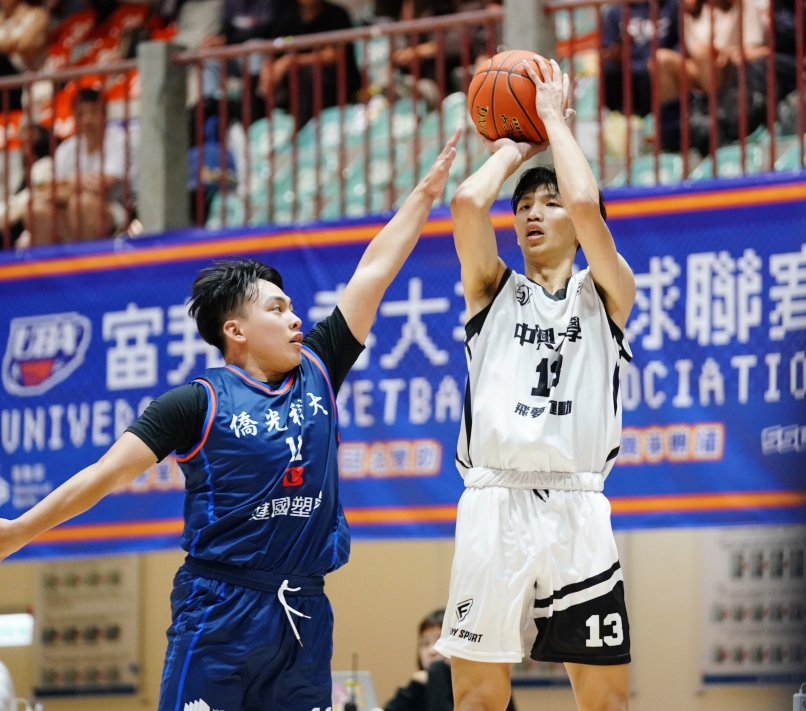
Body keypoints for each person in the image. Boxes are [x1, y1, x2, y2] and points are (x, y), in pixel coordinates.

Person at [0, 130, 461, 711]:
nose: (295, 318)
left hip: (303, 615)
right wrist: (19, 530)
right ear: (235, 330)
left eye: (293, 308)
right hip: (219, 610)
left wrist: (425, 193)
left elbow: (374, 270)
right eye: (277, 308)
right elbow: (104, 475)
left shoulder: (319, 366)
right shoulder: (194, 403)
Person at [439, 57, 635, 711]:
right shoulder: (491, 291)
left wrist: (553, 121)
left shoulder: (606, 292)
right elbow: (468, 203)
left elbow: (585, 202)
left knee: (605, 702)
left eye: (547, 204)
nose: (533, 212)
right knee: (476, 698)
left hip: (577, 504)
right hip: (493, 500)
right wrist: (515, 148)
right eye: (524, 205)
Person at [29, 88, 130, 243]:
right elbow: (54, 189)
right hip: (68, 206)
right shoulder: (66, 148)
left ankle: (90, 257)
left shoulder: (119, 140)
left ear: (104, 114)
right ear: (74, 116)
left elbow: (102, 185)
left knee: (81, 203)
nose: (87, 119)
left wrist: (70, 181)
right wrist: (76, 183)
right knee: (37, 209)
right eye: (81, 114)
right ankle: (54, 259)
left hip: (114, 208)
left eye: (93, 112)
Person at [385, 610, 516, 711]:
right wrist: (414, 686)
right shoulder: (419, 686)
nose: (432, 651)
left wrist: (437, 671)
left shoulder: (486, 683)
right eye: (425, 643)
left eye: (440, 641)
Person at [259, 0, 362, 123]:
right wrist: (267, 72)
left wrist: (291, 61)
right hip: (295, 86)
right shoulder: (289, 17)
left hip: (336, 83)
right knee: (251, 84)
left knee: (311, 75)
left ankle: (303, 130)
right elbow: (273, 51)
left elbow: (333, 55)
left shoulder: (337, 15)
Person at [601, 0, 679, 117]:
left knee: (654, 70)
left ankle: (663, 119)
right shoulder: (615, 11)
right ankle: (617, 116)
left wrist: (664, 58)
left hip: (658, 64)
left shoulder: (672, 6)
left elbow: (681, 42)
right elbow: (607, 50)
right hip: (627, 67)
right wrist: (617, 50)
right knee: (609, 71)